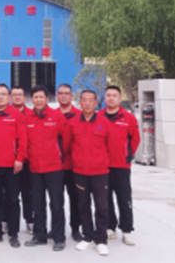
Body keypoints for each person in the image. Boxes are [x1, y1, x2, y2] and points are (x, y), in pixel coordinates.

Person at [63, 90, 111, 256]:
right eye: (84, 100)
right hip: (79, 172)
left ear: (96, 103)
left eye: (91, 100)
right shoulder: (73, 123)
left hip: (100, 172)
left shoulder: (104, 123)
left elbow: (110, 147)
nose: (88, 103)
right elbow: (67, 146)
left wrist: (102, 162)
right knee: (83, 205)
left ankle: (101, 240)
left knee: (102, 206)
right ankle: (88, 237)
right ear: (80, 103)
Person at [24, 85, 67, 251]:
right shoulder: (27, 117)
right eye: (35, 97)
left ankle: (59, 237)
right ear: (32, 99)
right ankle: (39, 235)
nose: (38, 100)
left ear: (47, 99)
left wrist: (58, 155)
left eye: (41, 97)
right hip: (35, 168)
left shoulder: (56, 116)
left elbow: (66, 139)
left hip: (54, 167)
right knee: (37, 204)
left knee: (56, 204)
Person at [0, 83, 26, 249]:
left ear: (8, 97)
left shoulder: (17, 115)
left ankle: (13, 233)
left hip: (12, 165)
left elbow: (23, 138)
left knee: (13, 200)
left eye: (3, 94)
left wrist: (20, 158)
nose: (0, 97)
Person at [101, 85, 140, 246]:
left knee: (124, 198)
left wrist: (127, 156)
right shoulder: (98, 116)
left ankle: (127, 230)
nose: (111, 98)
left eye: (114, 95)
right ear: (104, 98)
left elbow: (135, 139)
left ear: (119, 98)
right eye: (108, 95)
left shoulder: (128, 118)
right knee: (105, 198)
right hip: (102, 166)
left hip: (121, 166)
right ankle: (110, 227)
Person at [57, 83, 83, 242]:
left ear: (71, 96)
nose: (64, 96)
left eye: (66, 93)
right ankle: (57, 229)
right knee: (56, 201)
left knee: (76, 199)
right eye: (61, 93)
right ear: (57, 96)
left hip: (74, 166)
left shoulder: (80, 115)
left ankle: (75, 228)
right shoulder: (51, 115)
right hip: (56, 167)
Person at [10, 86, 34, 234]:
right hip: (9, 161)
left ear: (25, 98)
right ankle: (6, 221)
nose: (17, 97)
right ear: (10, 97)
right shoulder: (5, 113)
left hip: (28, 161)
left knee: (28, 193)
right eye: (14, 95)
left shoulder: (31, 114)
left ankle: (30, 220)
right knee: (8, 194)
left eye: (20, 94)